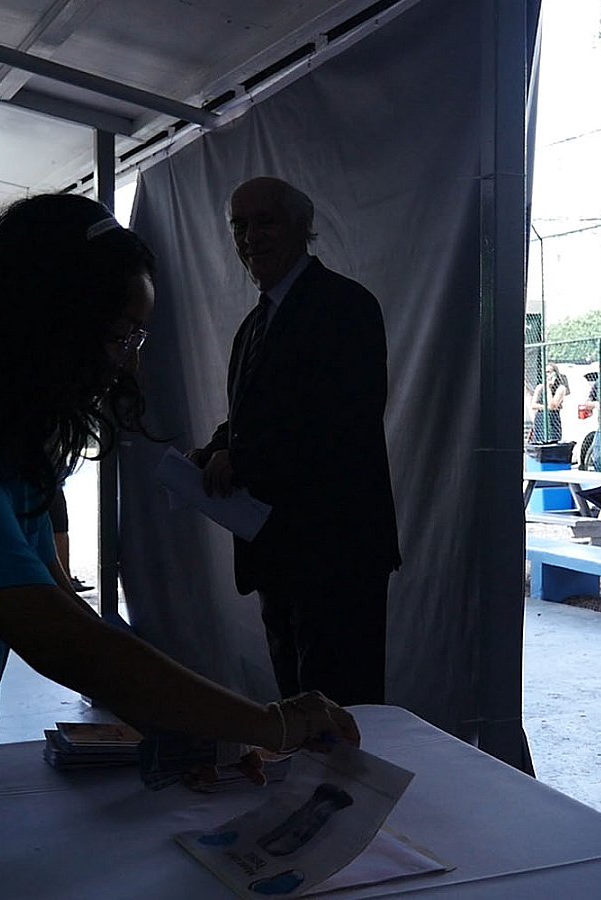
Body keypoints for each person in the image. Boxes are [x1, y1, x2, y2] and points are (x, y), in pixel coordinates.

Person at [0, 194, 359, 900]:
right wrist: (268, 722)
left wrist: (210, 732)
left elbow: (63, 607)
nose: (125, 365)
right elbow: (63, 641)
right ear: (45, 322)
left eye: (137, 339)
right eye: (119, 336)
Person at [188, 177, 400, 707]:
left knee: (344, 712)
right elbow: (254, 418)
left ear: (303, 227)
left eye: (265, 222)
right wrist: (213, 452)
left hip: (337, 553)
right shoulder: (254, 325)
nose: (249, 237)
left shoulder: (346, 306)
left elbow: (343, 422)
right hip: (276, 550)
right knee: (299, 710)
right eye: (239, 225)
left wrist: (240, 459)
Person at [530, 363, 567, 442]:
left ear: (555, 374)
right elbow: (533, 405)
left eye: (549, 372)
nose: (547, 374)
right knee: (539, 441)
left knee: (553, 440)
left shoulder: (561, 388)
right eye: (545, 372)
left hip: (553, 418)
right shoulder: (540, 387)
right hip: (540, 417)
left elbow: (553, 406)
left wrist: (548, 388)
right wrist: (546, 407)